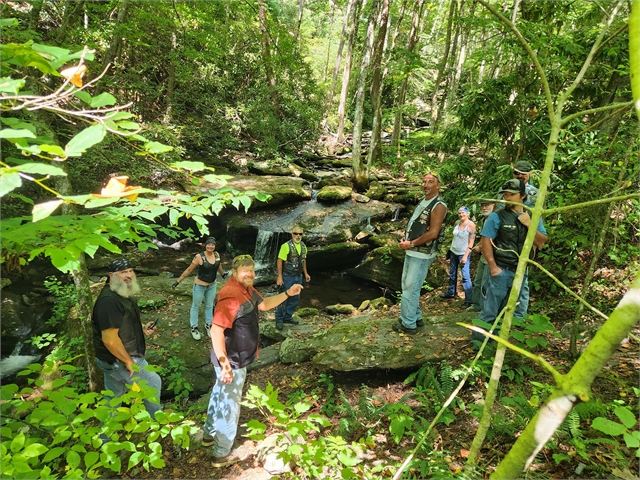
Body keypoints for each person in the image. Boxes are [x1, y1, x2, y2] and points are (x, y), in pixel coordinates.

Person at [202, 254, 303, 461]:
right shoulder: (231, 295)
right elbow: (215, 330)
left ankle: (208, 436)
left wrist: (288, 293)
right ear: (235, 272)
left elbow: (264, 304)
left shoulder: (246, 289)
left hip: (231, 358)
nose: (251, 274)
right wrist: (224, 363)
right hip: (231, 360)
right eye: (245, 271)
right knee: (230, 403)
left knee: (219, 395)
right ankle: (221, 453)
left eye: (252, 270)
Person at [472, 179, 547, 349]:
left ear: (522, 196)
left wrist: (529, 224)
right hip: (501, 270)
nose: (507, 197)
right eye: (505, 194)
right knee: (490, 311)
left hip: (521, 271)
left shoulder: (532, 216)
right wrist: (493, 267)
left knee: (508, 311)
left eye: (511, 194)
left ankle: (497, 345)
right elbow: (485, 241)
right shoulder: (497, 216)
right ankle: (479, 346)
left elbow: (542, 242)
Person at [92, 258, 162, 419]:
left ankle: (105, 439)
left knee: (113, 400)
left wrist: (142, 327)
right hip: (119, 359)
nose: (129, 275)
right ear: (111, 275)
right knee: (152, 382)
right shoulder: (108, 301)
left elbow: (121, 323)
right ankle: (158, 422)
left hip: (115, 359)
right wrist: (129, 362)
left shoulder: (122, 292)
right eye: (123, 272)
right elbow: (109, 339)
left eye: (130, 271)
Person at [393, 172, 448, 335]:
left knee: (411, 287)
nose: (425, 185)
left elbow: (433, 233)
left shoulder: (438, 205)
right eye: (424, 181)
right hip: (412, 251)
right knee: (408, 285)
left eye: (430, 182)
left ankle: (408, 324)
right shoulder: (424, 201)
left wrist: (410, 243)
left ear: (438, 185)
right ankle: (415, 316)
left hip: (422, 253)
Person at [172, 237, 226, 341]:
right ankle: (194, 327)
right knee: (196, 306)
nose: (210, 246)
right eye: (208, 244)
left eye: (213, 245)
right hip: (200, 285)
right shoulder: (199, 256)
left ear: (215, 246)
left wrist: (223, 274)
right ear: (205, 245)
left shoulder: (216, 254)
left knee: (209, 305)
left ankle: (208, 325)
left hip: (212, 285)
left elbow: (218, 265)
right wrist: (177, 281)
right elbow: (189, 270)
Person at [275, 226, 311, 331]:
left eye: (300, 234)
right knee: (283, 297)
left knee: (295, 298)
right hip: (287, 275)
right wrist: (280, 276)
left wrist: (306, 273)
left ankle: (288, 317)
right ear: (292, 234)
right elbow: (279, 260)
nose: (298, 236)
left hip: (298, 276)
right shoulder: (286, 246)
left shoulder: (304, 246)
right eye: (296, 233)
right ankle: (279, 319)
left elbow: (303, 261)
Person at [441, 206, 476, 307]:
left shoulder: (471, 225)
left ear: (467, 214)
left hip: (463, 253)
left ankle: (469, 300)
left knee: (465, 277)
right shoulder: (457, 223)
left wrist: (465, 256)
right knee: (452, 274)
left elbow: (471, 243)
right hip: (453, 252)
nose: (461, 215)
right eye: (460, 213)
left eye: (463, 213)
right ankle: (451, 292)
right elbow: (455, 238)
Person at [469, 200, 495, 312]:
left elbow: (492, 239)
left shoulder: (495, 219)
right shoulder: (485, 220)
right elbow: (484, 237)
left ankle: (485, 308)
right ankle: (476, 305)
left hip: (491, 257)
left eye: (487, 205)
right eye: (482, 205)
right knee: (478, 281)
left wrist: (480, 247)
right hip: (483, 256)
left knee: (486, 283)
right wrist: (478, 246)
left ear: (494, 205)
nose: (484, 208)